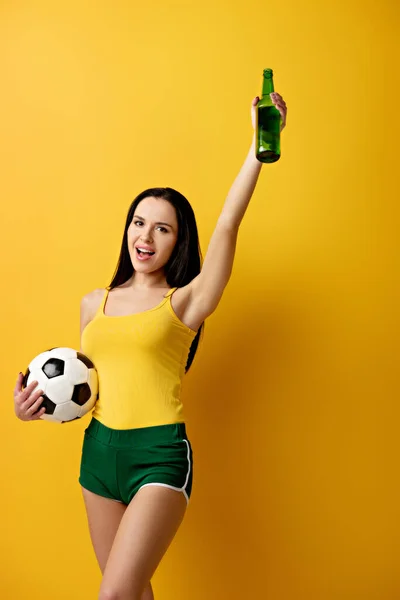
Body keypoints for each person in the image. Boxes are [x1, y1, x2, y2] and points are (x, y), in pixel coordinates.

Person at [13, 93, 287, 600]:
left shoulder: (184, 303)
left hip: (158, 457)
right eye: (139, 222)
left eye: (162, 228)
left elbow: (227, 225)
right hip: (98, 456)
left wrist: (259, 148)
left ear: (177, 242)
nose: (146, 236)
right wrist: (34, 407)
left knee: (113, 595)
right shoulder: (92, 304)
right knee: (134, 594)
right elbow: (85, 389)